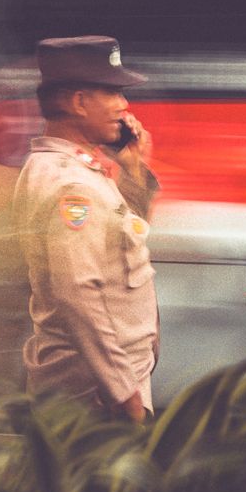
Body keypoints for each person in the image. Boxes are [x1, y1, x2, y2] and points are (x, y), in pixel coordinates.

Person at [12, 35, 159, 423]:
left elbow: (126, 245)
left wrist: (133, 169)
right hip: (95, 401)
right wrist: (123, 391)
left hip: (103, 392)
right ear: (78, 102)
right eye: (112, 92)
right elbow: (78, 293)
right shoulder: (71, 186)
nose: (123, 105)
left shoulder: (79, 171)